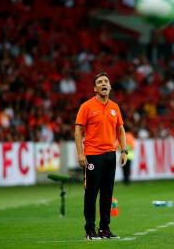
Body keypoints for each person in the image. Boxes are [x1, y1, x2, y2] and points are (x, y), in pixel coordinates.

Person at [75, 72, 128, 240]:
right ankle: (90, 229)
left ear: (110, 86)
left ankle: (104, 229)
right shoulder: (87, 106)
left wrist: (124, 150)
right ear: (95, 88)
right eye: (100, 82)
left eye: (106, 81)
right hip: (93, 155)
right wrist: (80, 153)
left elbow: (120, 129)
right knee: (91, 193)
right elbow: (78, 130)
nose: (104, 83)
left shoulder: (115, 107)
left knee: (107, 193)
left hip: (110, 155)